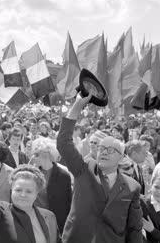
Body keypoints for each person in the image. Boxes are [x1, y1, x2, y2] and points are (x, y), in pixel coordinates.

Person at [57, 93, 143, 243]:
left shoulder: (132, 186)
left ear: (122, 157)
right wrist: (77, 105)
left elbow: (134, 227)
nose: (104, 152)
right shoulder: (83, 169)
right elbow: (64, 142)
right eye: (102, 149)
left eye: (111, 150)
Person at [29, 137, 72, 233]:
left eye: (36, 155)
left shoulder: (63, 175)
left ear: (46, 155)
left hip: (56, 221)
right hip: (35, 219)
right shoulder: (32, 173)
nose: (32, 157)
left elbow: (68, 202)